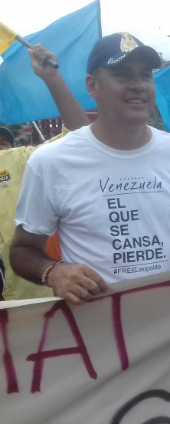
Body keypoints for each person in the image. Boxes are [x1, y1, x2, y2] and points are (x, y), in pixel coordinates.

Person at [11, 32, 170, 306]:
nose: (138, 85)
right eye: (122, 75)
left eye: (145, 75)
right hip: (97, 336)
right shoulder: (50, 162)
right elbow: (22, 251)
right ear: (93, 86)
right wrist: (54, 272)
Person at [0, 45, 91, 301]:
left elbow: (79, 135)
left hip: (35, 302)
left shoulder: (20, 160)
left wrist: (51, 78)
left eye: (3, 142)